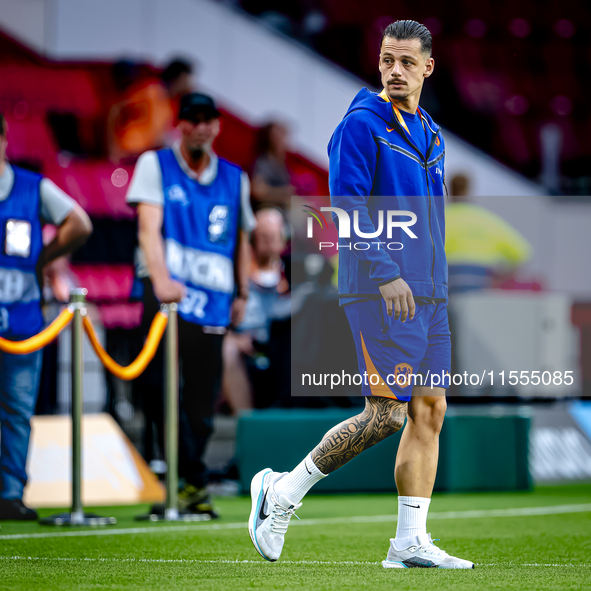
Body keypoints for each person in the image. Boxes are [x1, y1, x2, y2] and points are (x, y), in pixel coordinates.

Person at [248, 21, 474, 569]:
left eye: (405, 62)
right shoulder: (361, 126)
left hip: (430, 296)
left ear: (427, 68)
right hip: (381, 290)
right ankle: (280, 493)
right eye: (386, 60)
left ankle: (408, 542)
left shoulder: (433, 134)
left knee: (430, 409)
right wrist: (383, 271)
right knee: (386, 415)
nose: (394, 70)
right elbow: (346, 206)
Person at [126, 93, 255, 516]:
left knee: (203, 397)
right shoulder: (155, 164)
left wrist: (242, 292)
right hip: (166, 295)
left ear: (217, 126)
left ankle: (192, 482)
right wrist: (162, 281)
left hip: (215, 297)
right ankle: (186, 478)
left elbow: (241, 239)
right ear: (180, 125)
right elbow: (149, 228)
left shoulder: (235, 178)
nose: (201, 126)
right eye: (193, 119)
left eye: (208, 120)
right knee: (154, 385)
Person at [0, 113, 92, 520]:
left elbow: (80, 222)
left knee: (17, 409)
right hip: (22, 321)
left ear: (4, 140)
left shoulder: (31, 187)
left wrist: (45, 259)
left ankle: (9, 494)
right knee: (17, 409)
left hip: (22, 323)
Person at [221, 208, 289, 413]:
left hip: (283, 347)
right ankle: (247, 420)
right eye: (263, 236)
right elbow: (222, 323)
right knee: (227, 348)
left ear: (284, 239)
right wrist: (235, 337)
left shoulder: (295, 273)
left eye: (273, 236)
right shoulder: (236, 279)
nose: (269, 241)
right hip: (247, 348)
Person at [250, 122, 295, 210]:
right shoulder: (263, 162)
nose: (285, 142)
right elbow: (257, 190)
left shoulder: (282, 164)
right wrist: (284, 192)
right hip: (269, 212)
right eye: (280, 137)